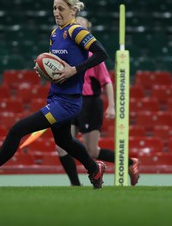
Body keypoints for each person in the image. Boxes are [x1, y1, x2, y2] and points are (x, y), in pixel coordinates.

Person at [0, 0, 109, 189]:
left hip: (68, 103)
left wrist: (74, 70)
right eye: (54, 8)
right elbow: (57, 66)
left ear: (73, 10)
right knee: (65, 141)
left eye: (61, 8)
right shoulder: (55, 34)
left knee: (18, 129)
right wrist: (44, 71)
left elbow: (102, 54)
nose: (56, 12)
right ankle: (94, 169)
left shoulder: (77, 31)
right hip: (56, 97)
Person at [56, 16, 140, 186]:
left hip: (90, 104)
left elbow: (107, 81)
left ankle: (130, 163)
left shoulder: (92, 56)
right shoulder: (68, 53)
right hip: (72, 102)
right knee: (61, 146)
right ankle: (75, 185)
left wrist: (112, 105)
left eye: (82, 27)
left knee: (92, 151)